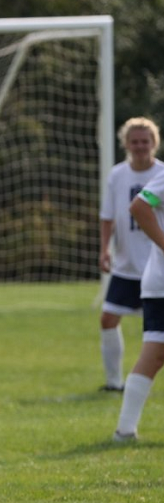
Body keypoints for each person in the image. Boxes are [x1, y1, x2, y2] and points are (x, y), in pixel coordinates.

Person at [97, 117, 164, 391]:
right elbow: (107, 216)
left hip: (156, 266)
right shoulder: (117, 175)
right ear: (125, 144)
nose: (139, 147)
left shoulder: (161, 173)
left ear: (154, 144)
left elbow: (141, 209)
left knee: (154, 338)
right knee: (108, 319)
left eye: (144, 141)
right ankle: (114, 382)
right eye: (134, 141)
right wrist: (104, 249)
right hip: (126, 263)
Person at [114, 166, 164, 440]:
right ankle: (124, 430)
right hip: (161, 284)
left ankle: (124, 430)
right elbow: (141, 205)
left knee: (156, 354)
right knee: (154, 353)